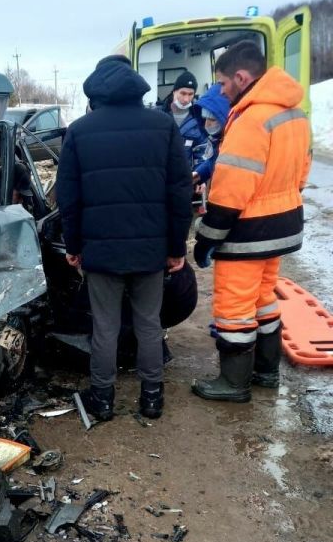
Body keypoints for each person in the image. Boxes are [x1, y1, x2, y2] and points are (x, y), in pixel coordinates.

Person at [56, 55, 192, 421]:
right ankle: (151, 400)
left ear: (95, 90)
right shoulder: (163, 126)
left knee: (105, 326)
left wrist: (73, 245)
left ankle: (102, 401)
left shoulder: (80, 131)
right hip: (151, 249)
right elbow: (180, 192)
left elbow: (67, 196)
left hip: (100, 251)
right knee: (149, 323)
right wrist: (177, 247)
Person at [192, 41, 311, 401]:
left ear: (242, 77)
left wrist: (207, 238)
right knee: (263, 299)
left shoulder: (250, 120)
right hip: (283, 224)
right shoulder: (295, 114)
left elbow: (230, 192)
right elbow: (301, 172)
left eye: (224, 84)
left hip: (247, 232)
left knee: (234, 308)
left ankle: (233, 383)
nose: (222, 92)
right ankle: (265, 372)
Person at [160, 70, 214, 184]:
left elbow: (202, 152)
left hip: (184, 180)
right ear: (174, 91)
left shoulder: (198, 118)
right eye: (183, 93)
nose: (186, 99)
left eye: (190, 94)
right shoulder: (158, 115)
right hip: (160, 178)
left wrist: (200, 179)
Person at [192, 83, 230, 184]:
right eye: (204, 119)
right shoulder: (217, 139)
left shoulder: (234, 141)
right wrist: (198, 174)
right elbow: (214, 161)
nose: (206, 124)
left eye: (212, 119)